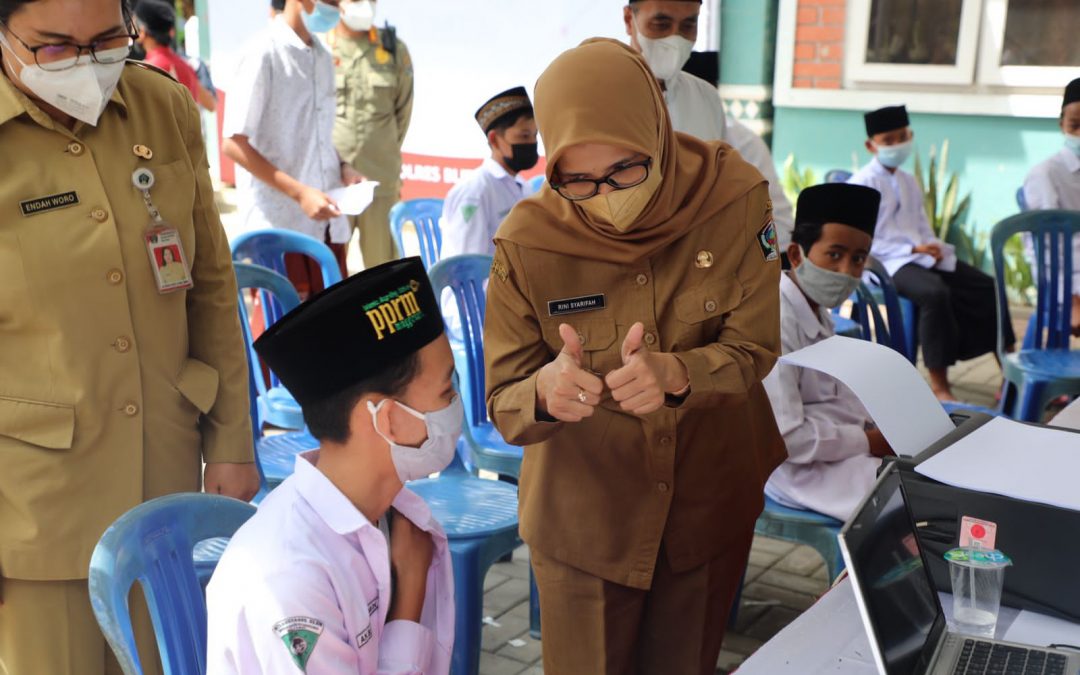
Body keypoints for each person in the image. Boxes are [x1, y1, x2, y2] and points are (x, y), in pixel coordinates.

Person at [484, 39, 786, 674]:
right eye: (579, 179)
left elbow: (754, 345)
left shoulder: (733, 200)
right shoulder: (529, 243)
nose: (606, 195)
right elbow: (503, 397)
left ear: (658, 131)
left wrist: (681, 372)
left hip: (707, 502)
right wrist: (544, 391)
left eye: (626, 170)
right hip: (586, 520)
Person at [0, 1, 258, 673]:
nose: (88, 65)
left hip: (162, 484)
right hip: (33, 516)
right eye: (56, 48)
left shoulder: (160, 106)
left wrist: (233, 439)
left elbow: (210, 282)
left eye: (109, 40)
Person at [207, 257, 456, 674]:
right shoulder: (289, 577)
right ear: (388, 419)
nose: (454, 407)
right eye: (447, 390)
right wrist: (408, 598)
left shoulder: (395, 513)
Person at [849, 104, 1013, 400]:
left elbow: (923, 226)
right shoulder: (863, 183)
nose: (897, 145)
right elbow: (864, 239)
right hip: (887, 262)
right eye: (889, 140)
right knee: (934, 293)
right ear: (870, 145)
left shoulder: (908, 181)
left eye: (903, 136)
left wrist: (932, 247)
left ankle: (1007, 372)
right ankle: (940, 385)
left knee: (986, 285)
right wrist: (912, 248)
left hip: (921, 256)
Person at [763, 183, 896, 521]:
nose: (847, 272)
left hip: (829, 446)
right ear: (796, 255)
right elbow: (785, 439)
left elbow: (828, 396)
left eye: (858, 259)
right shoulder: (774, 318)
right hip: (788, 468)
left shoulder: (815, 308)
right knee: (900, 500)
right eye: (834, 255)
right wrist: (867, 442)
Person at [622, 0, 795, 249]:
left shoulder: (705, 98)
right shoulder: (597, 95)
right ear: (630, 20)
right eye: (661, 24)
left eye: (689, 24)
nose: (675, 37)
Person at [223, 0, 363, 299]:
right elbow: (233, 142)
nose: (335, 10)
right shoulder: (263, 52)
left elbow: (317, 132)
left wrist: (343, 167)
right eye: (330, 2)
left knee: (330, 323)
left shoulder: (322, 56)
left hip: (325, 221)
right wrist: (299, 192)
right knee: (282, 329)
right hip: (279, 223)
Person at [330, 0, 413, 269]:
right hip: (331, 181)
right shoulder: (320, 45)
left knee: (383, 273)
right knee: (331, 268)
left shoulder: (393, 50)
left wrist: (380, 148)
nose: (364, 5)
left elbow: (403, 111)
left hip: (380, 179)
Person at [441, 86, 537, 261]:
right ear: (494, 139)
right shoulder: (475, 191)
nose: (531, 143)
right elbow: (467, 265)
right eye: (524, 136)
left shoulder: (524, 187)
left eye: (534, 136)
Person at [1023, 77, 1080, 335]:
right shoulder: (1046, 174)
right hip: (1067, 277)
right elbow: (1042, 248)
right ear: (1062, 126)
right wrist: (1071, 298)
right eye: (1075, 125)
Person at [133, 0, 215, 111]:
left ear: (142, 32)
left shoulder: (145, 69)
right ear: (170, 32)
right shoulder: (186, 66)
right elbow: (211, 105)